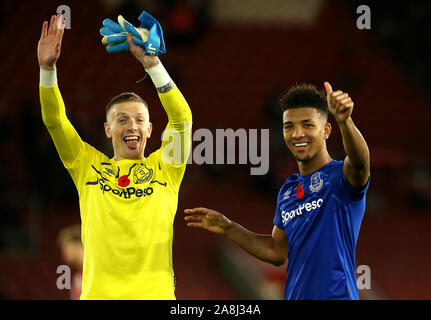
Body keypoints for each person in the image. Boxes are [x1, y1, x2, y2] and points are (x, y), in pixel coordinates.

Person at [38, 14, 192, 299]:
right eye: (122, 120)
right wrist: (47, 70)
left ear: (149, 129)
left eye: (138, 120)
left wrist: (152, 64)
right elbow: (55, 122)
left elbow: (182, 119)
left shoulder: (167, 168)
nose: (131, 126)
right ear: (108, 130)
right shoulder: (88, 166)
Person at [185, 83, 370, 300]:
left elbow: (360, 161)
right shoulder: (289, 191)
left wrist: (344, 121)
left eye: (307, 125)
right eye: (289, 126)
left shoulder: (341, 177)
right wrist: (229, 227)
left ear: (326, 130)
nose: (297, 134)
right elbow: (277, 251)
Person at [57, 224, 84, 300]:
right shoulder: (77, 278)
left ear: (77, 244)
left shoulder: (97, 270)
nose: (64, 254)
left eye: (65, 248)